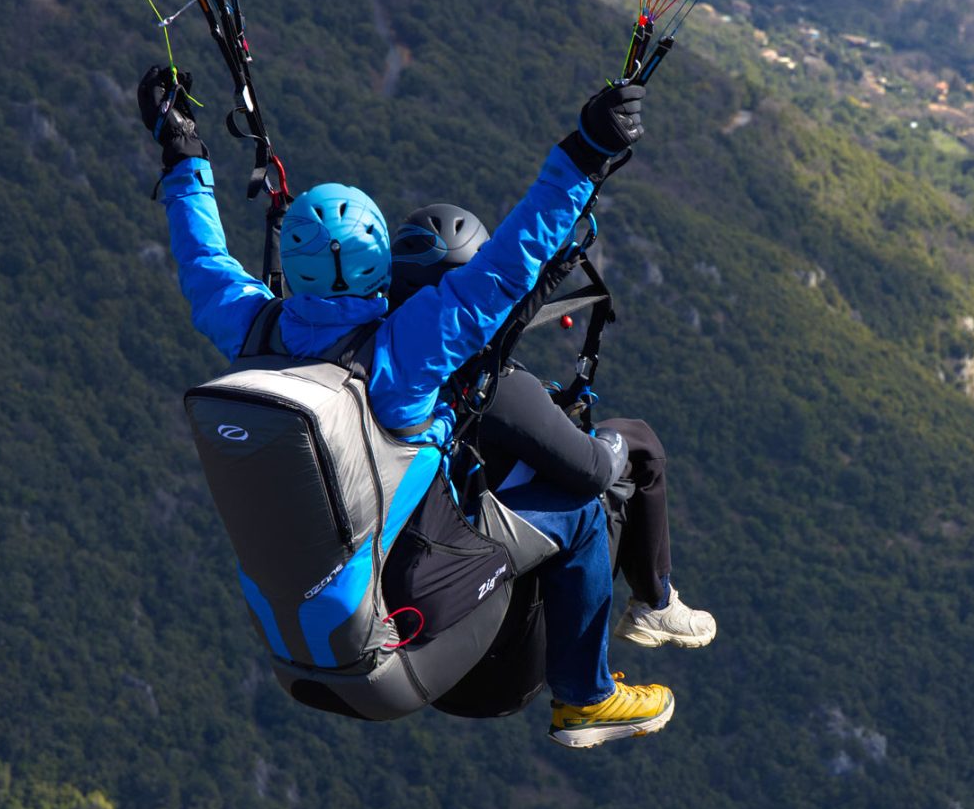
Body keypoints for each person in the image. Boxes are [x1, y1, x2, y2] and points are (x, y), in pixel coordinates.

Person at [137, 65, 673, 748]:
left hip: (304, 660)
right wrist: (587, 150)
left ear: (293, 272)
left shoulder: (251, 330)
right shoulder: (404, 351)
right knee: (580, 511)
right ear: (382, 268)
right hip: (401, 655)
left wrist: (181, 152)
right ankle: (587, 697)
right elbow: (510, 263)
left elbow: (202, 259)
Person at [389, 205, 717, 650]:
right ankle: (655, 604)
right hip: (511, 623)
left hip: (420, 591)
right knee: (637, 444)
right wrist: (612, 440)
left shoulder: (381, 367)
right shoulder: (493, 386)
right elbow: (595, 469)